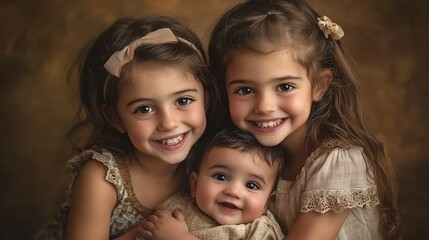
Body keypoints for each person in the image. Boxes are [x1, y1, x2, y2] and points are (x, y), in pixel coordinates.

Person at [207, 0, 401, 239]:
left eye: (285, 86)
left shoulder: (338, 162)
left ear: (319, 86)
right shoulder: (240, 155)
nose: (265, 106)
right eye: (245, 90)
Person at [35, 14, 218, 240]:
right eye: (144, 109)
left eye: (183, 101)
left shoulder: (209, 157)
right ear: (115, 118)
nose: (169, 123)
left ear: (206, 99)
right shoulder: (102, 179)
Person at [143, 127, 285, 240]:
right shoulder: (178, 207)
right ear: (194, 185)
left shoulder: (258, 231)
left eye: (251, 185)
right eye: (221, 177)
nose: (233, 191)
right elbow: (142, 231)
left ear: (267, 202)